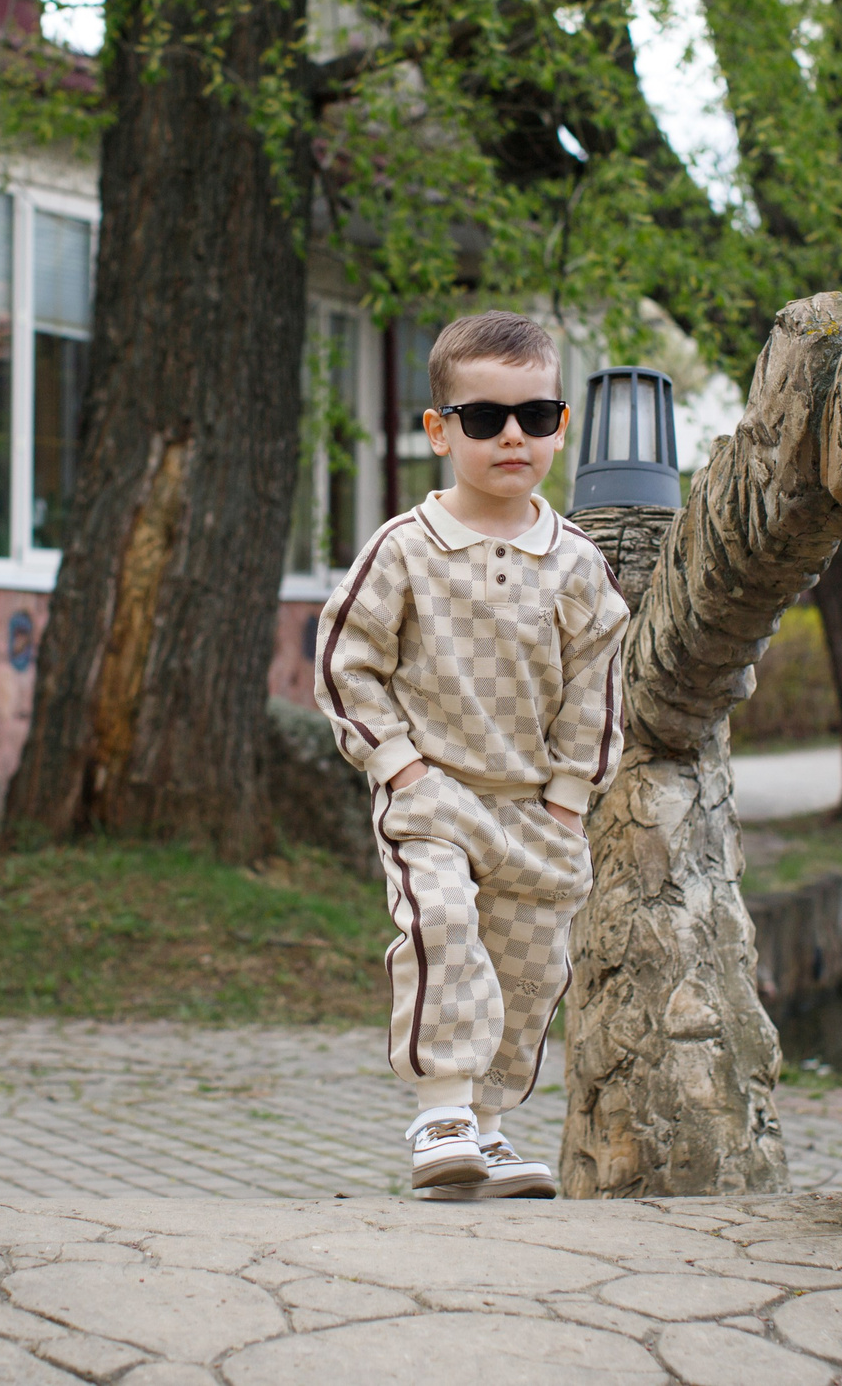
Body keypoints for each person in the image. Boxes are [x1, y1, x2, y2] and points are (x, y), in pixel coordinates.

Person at [314, 312, 629, 1198]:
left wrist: (568, 799)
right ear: (440, 429)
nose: (513, 436)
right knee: (444, 927)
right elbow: (346, 662)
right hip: (436, 797)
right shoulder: (404, 549)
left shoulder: (577, 565)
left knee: (529, 970)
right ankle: (441, 1110)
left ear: (561, 425)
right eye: (486, 419)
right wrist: (399, 767)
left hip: (536, 810)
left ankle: (485, 1132)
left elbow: (597, 687)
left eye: (536, 415)